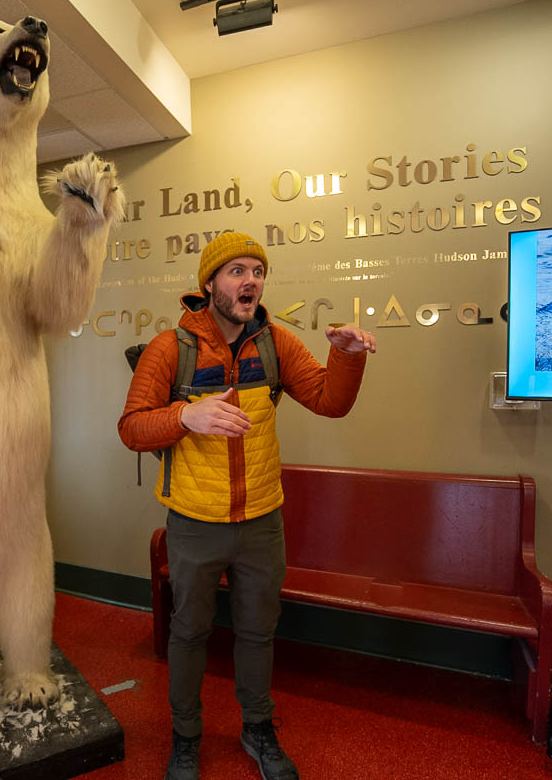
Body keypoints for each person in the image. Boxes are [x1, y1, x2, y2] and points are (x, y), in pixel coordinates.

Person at [117, 232, 376, 780]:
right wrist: (186, 417)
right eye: (236, 270)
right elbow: (132, 428)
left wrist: (347, 356)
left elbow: (331, 402)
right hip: (193, 522)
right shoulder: (172, 348)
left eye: (257, 270)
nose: (250, 280)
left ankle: (257, 727)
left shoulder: (275, 343)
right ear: (209, 283)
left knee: (259, 630)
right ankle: (185, 735)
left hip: (262, 521)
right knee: (188, 631)